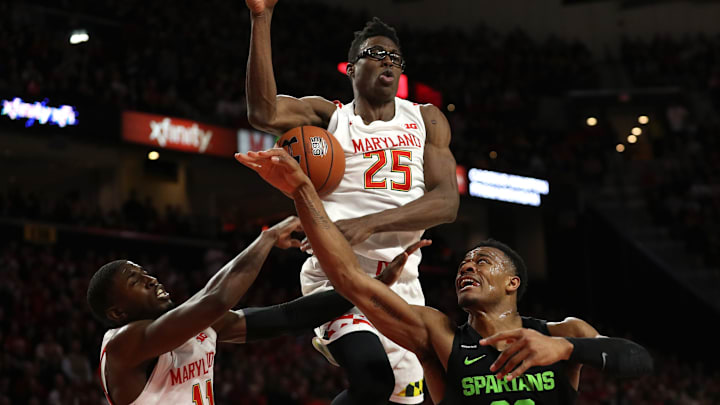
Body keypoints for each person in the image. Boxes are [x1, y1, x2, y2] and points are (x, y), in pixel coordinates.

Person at [235, 148, 655, 405]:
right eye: (464, 263)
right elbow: (348, 280)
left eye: (483, 260)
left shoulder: (564, 331)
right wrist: (303, 193)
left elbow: (638, 361)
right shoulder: (438, 335)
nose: (467, 266)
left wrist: (563, 349)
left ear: (513, 283)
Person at [244, 1, 459, 403]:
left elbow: (447, 202)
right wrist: (261, 17)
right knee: (371, 379)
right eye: (375, 54)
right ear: (352, 68)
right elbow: (262, 111)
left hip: (402, 285)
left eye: (395, 57)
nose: (388, 62)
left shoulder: (426, 119)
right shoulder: (331, 118)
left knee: (401, 398)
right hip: (339, 277)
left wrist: (370, 223)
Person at [87, 216, 416, 405]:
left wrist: (369, 286)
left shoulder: (194, 326)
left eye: (146, 272)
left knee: (374, 387)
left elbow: (286, 316)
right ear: (117, 312)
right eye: (136, 280)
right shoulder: (123, 345)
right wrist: (268, 238)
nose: (150, 279)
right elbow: (216, 298)